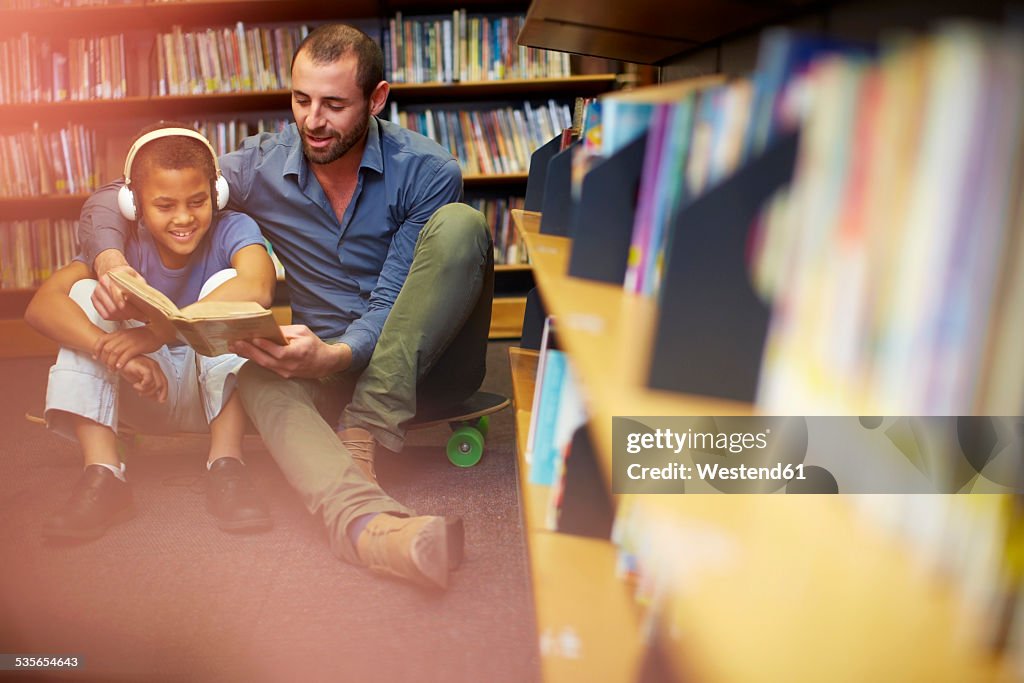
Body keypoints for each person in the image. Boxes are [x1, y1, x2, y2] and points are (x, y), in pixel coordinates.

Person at [76, 24, 493, 590]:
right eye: (301, 100)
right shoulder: (261, 166)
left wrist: (340, 354)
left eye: (334, 104)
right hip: (319, 363)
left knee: (461, 226)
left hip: (428, 363)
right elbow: (126, 190)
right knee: (254, 378)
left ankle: (364, 430)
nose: (313, 121)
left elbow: (395, 296)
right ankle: (367, 528)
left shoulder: (427, 170)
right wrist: (109, 260)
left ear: (376, 99)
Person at [26, 123, 278, 540]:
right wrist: (111, 350)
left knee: (227, 288)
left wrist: (158, 333)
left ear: (216, 196)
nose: (184, 218)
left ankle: (227, 464)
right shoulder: (122, 244)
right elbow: (43, 304)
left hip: (216, 396)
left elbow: (259, 285)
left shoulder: (232, 228)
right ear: (134, 204)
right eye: (164, 205)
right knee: (90, 291)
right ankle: (104, 474)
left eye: (197, 202)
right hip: (140, 391)